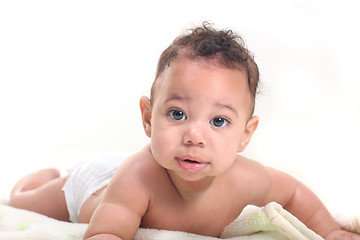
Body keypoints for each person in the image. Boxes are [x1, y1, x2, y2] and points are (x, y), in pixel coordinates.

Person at [9, 22, 360, 240]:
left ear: (246, 135)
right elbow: (107, 231)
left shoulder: (248, 179)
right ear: (148, 117)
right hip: (95, 183)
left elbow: (295, 194)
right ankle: (46, 177)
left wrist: (330, 231)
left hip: (117, 171)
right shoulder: (137, 179)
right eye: (177, 114)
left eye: (218, 121)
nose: (194, 136)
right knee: (26, 202)